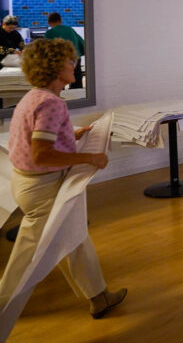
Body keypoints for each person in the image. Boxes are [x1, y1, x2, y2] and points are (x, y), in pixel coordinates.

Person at [0, 38, 126, 319]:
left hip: (29, 183)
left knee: (75, 236)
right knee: (28, 256)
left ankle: (99, 297)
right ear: (56, 67)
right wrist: (89, 158)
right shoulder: (51, 103)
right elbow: (42, 153)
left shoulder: (35, 96)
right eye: (70, 60)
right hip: (42, 187)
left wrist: (72, 135)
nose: (74, 64)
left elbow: (38, 138)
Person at [45, 12, 85, 89]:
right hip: (75, 58)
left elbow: (46, 50)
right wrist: (79, 54)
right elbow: (82, 43)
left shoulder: (49, 33)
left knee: (59, 82)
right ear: (60, 20)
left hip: (60, 61)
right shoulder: (70, 29)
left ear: (49, 23)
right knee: (76, 82)